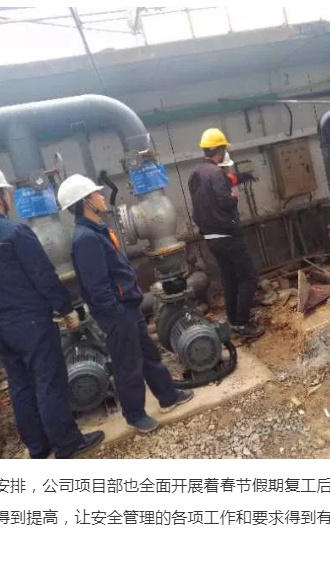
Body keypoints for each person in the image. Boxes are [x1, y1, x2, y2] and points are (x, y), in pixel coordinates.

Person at [0, 163, 104, 459]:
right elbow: (43, 275)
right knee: (48, 381)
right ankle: (67, 443)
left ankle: (37, 447)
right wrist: (65, 308)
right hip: (30, 323)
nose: (9, 197)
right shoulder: (14, 232)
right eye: (7, 192)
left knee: (20, 385)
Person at [57, 174, 194, 434]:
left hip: (127, 306)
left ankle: (168, 396)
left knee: (148, 354)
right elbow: (97, 287)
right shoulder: (86, 238)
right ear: (86, 202)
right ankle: (134, 415)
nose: (101, 197)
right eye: (96, 194)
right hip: (117, 312)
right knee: (128, 364)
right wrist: (117, 312)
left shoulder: (96, 231)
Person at [188, 129, 264, 340]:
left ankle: (234, 321)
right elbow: (225, 200)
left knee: (229, 279)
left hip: (211, 238)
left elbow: (204, 201)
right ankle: (242, 322)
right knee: (248, 277)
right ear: (220, 149)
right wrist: (234, 197)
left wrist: (243, 178)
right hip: (228, 235)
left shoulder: (195, 174)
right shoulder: (215, 173)